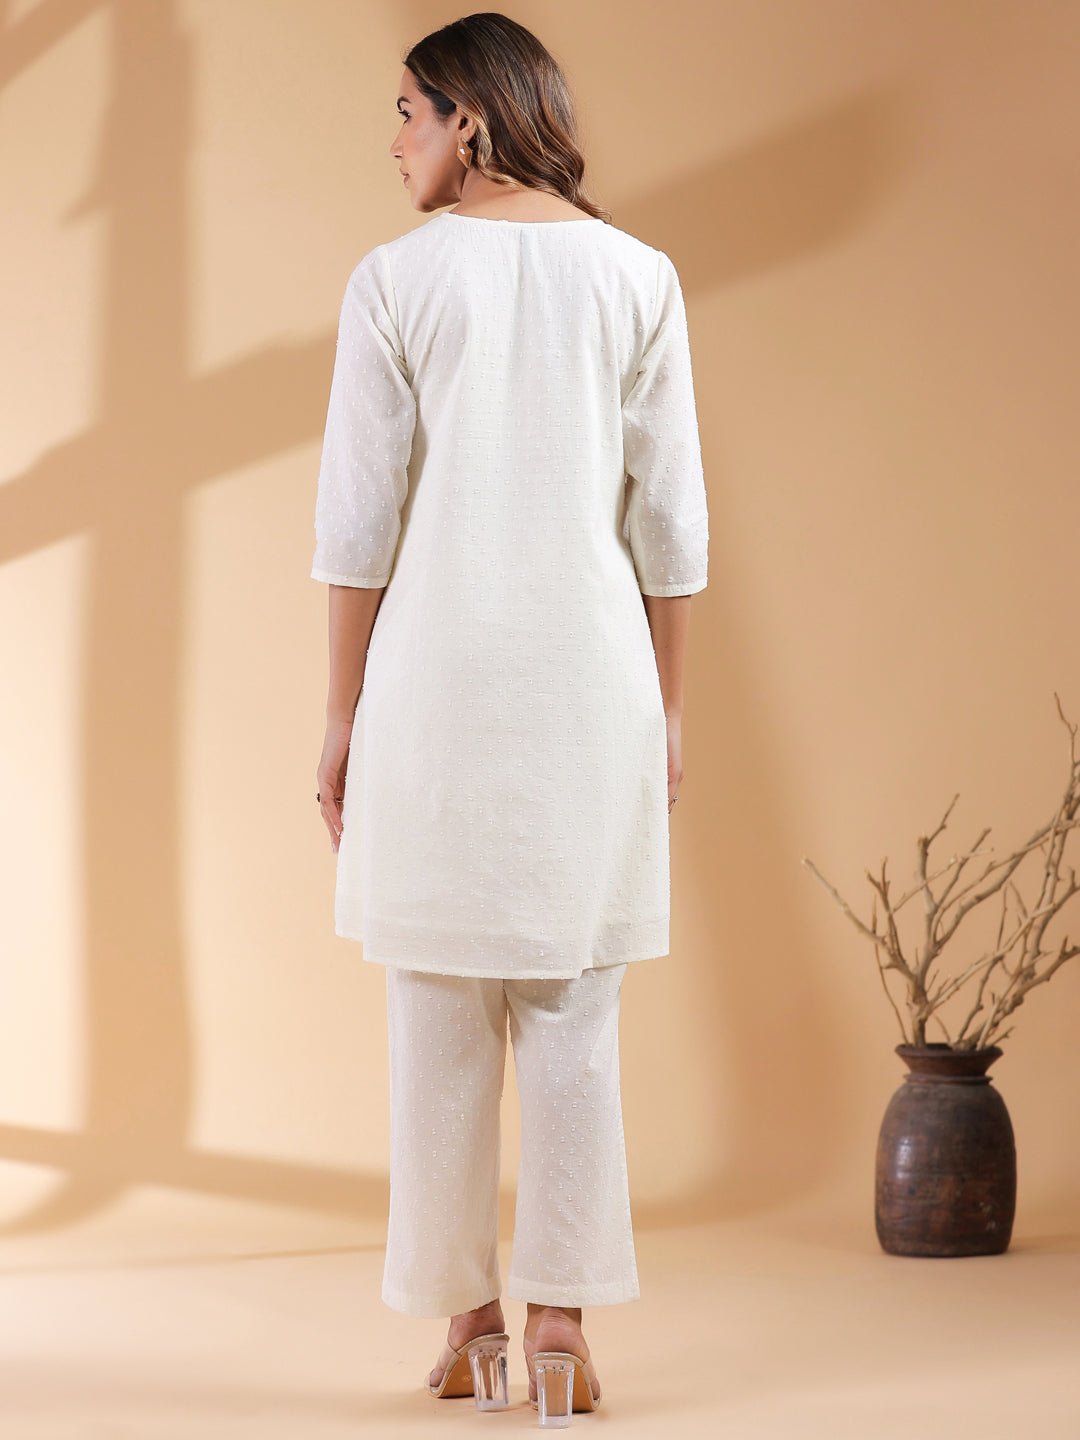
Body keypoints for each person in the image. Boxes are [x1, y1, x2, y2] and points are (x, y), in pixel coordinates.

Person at [310, 13, 709, 1426]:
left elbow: (358, 521)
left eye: (408, 113)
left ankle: (469, 1319)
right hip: (591, 686)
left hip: (434, 684)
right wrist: (668, 708)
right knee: (575, 1016)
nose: (395, 142)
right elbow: (670, 524)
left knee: (437, 1019)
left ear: (469, 120)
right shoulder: (639, 275)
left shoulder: (394, 282)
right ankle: (560, 1333)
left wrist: (340, 713)